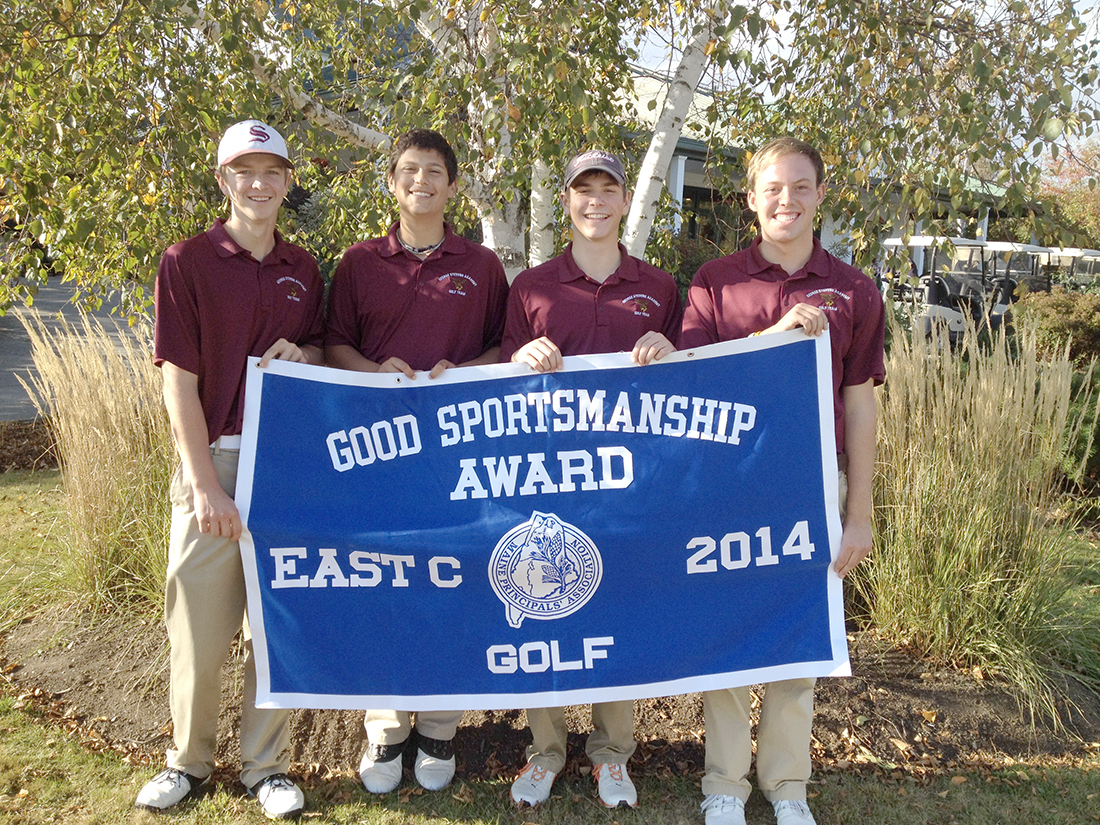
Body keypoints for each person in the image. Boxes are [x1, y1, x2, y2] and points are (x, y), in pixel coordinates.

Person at [680, 137, 885, 825]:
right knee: (730, 626)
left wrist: (859, 512)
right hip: (728, 480)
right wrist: (774, 334)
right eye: (772, 187)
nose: (786, 200)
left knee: (798, 630)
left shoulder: (854, 289)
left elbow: (859, 403)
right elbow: (693, 379)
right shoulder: (714, 281)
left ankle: (788, 784)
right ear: (750, 198)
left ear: (822, 194)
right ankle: (724, 784)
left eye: (801, 186)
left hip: (808, 479)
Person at [136, 120, 325, 820]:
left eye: (272, 171)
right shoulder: (185, 260)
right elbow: (176, 385)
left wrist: (304, 357)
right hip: (212, 460)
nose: (259, 183)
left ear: (286, 181)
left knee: (271, 628)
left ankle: (266, 765)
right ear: (224, 180)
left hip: (283, 468)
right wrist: (204, 482)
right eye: (244, 171)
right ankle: (187, 761)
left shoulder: (304, 269)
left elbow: (317, 355)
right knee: (198, 629)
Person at [324, 128, 509, 794]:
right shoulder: (357, 262)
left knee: (450, 581)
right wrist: (375, 371)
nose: (421, 181)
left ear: (453, 186)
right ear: (392, 182)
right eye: (409, 170)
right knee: (384, 585)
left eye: (435, 171)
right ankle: (386, 729)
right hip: (377, 453)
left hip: (457, 455)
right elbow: (333, 344)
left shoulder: (482, 266)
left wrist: (459, 374)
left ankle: (438, 726)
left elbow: (503, 348)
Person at [501, 148, 682, 809]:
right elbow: (499, 388)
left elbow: (684, 385)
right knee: (545, 606)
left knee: (617, 610)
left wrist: (670, 348)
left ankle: (611, 755)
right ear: (569, 199)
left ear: (625, 198)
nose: (595, 200)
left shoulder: (660, 286)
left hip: (628, 480)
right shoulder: (531, 287)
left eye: (608, 188)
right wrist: (521, 355)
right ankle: (545, 750)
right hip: (547, 476)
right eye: (584, 189)